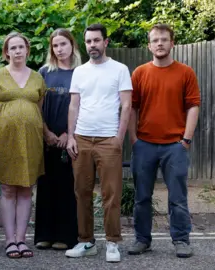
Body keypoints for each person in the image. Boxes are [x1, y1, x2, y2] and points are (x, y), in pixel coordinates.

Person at [127, 24, 200, 258]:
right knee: (142, 197)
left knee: (178, 198)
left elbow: (193, 106)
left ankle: (181, 240)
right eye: (155, 40)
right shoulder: (139, 73)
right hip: (144, 145)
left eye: (164, 39)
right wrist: (134, 139)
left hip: (175, 146)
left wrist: (186, 139)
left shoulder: (186, 72)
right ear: (149, 45)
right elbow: (132, 108)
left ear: (172, 43)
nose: (160, 43)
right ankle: (142, 239)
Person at [65, 23, 132, 263]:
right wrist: (70, 136)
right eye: (88, 41)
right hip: (81, 139)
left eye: (96, 40)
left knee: (111, 194)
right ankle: (86, 242)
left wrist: (119, 139)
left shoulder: (120, 69)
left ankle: (112, 243)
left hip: (108, 140)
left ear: (105, 42)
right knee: (81, 192)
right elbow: (74, 105)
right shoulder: (79, 71)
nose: (92, 45)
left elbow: (126, 105)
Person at [0, 32, 46, 259]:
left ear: (27, 50)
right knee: (8, 189)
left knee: (27, 189)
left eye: (21, 47)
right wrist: (6, 125)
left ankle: (22, 239)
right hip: (4, 141)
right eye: (13, 48)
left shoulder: (38, 78)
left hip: (31, 141)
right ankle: (10, 241)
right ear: (6, 52)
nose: (18, 51)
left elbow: (37, 109)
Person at [34, 28, 80, 251]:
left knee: (67, 188)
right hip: (47, 139)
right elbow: (37, 107)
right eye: (55, 45)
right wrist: (47, 133)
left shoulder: (81, 73)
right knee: (45, 186)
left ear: (72, 45)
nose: (59, 49)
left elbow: (84, 107)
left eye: (63, 44)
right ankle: (44, 235)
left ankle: (65, 236)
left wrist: (68, 134)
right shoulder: (44, 72)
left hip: (71, 140)